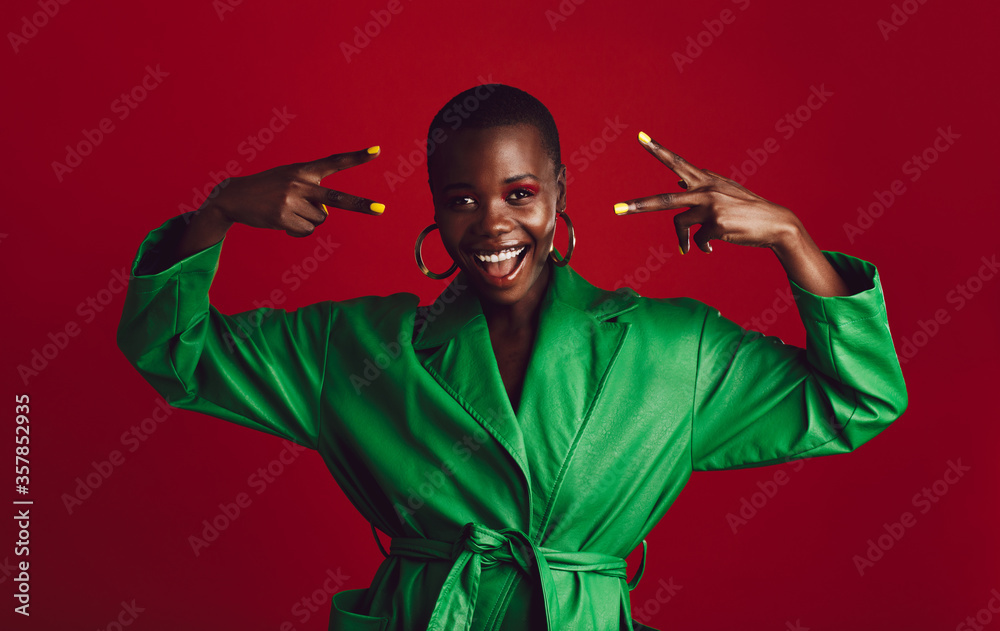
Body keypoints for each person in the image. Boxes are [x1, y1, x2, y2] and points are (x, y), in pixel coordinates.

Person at [116, 84, 908, 631]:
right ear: (434, 205)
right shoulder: (354, 350)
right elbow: (172, 352)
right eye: (461, 199)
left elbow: (860, 396)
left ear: (559, 191)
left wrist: (790, 237)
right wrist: (217, 213)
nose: (492, 225)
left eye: (520, 193)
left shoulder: (676, 350)